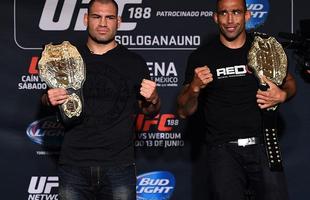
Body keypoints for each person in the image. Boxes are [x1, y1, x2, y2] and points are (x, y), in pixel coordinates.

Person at [41, 0, 160, 199]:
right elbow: (46, 99)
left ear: (118, 21)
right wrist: (48, 97)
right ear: (86, 19)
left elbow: (148, 110)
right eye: (97, 16)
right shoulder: (67, 57)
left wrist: (154, 99)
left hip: (119, 165)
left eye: (109, 17)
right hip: (74, 163)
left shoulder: (134, 62)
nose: (103, 23)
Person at [177, 0, 296, 199]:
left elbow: (290, 83)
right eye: (224, 13)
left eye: (236, 12)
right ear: (215, 17)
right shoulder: (201, 56)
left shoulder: (263, 47)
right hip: (222, 150)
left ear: (247, 15)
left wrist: (283, 94)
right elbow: (183, 111)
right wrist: (195, 87)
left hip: (264, 145)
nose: (230, 19)